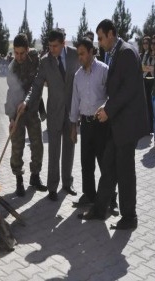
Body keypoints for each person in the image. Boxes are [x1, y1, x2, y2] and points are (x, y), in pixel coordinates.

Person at [78, 19, 148, 230]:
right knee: (108, 166)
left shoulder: (126, 52)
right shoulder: (118, 52)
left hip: (126, 124)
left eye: (100, 38)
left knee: (125, 171)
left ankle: (130, 216)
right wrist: (107, 107)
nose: (99, 43)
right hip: (118, 124)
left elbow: (128, 89)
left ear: (111, 34)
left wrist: (108, 110)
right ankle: (100, 209)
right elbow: (117, 89)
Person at [18, 29, 80, 201]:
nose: (52, 49)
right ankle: (52, 186)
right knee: (54, 150)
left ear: (64, 43)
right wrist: (27, 101)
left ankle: (67, 183)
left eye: (55, 46)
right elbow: (37, 84)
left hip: (72, 111)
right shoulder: (45, 62)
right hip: (54, 112)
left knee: (70, 147)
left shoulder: (75, 55)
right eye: (49, 46)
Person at [70, 37, 118, 214]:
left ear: (91, 52)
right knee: (86, 161)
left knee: (105, 162)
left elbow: (112, 95)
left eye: (82, 54)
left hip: (102, 124)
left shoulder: (104, 70)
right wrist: (73, 126)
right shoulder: (77, 76)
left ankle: (111, 198)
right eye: (78, 54)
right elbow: (75, 101)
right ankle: (89, 195)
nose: (80, 57)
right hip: (86, 124)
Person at [5, 33, 47, 197]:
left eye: (22, 53)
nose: (19, 56)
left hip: (33, 109)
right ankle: (19, 181)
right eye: (16, 53)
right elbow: (11, 95)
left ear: (28, 50)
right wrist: (12, 119)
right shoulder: (12, 70)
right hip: (18, 111)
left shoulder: (35, 57)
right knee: (17, 146)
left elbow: (37, 82)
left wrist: (29, 101)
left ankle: (35, 177)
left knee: (37, 144)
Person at [141, 36, 154, 135]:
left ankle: (150, 128)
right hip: (144, 81)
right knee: (144, 105)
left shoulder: (151, 54)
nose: (145, 44)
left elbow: (150, 68)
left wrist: (145, 68)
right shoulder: (143, 54)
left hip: (151, 81)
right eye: (143, 42)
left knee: (149, 105)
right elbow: (141, 67)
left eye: (147, 43)